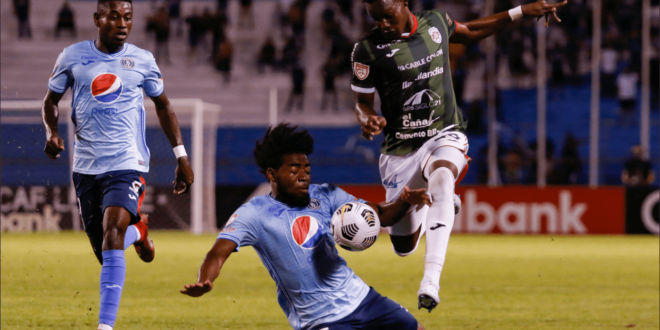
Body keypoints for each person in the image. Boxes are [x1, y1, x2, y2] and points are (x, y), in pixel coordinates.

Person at [351, 0, 567, 311]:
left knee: (441, 175)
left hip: (444, 132)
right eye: (376, 19)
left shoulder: (435, 23)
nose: (383, 24)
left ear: (405, 4)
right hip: (400, 151)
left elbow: (471, 31)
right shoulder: (366, 49)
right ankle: (441, 200)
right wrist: (366, 118)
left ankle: (431, 281)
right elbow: (362, 102)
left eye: (388, 16)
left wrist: (520, 12)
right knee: (403, 246)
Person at [181, 124, 427, 330]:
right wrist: (206, 280)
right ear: (272, 174)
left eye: (306, 169)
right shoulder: (253, 213)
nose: (304, 175)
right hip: (319, 318)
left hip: (362, 298)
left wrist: (405, 200)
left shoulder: (326, 195)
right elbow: (218, 252)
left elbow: (380, 214)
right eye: (294, 169)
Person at [41, 1, 194, 329]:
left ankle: (104, 327)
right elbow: (50, 101)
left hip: (127, 163)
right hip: (85, 167)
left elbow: (164, 106)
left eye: (127, 17)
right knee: (106, 251)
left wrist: (181, 156)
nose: (122, 23)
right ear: (97, 19)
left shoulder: (143, 60)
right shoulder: (72, 56)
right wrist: (52, 132)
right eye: (113, 16)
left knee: (112, 234)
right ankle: (138, 231)